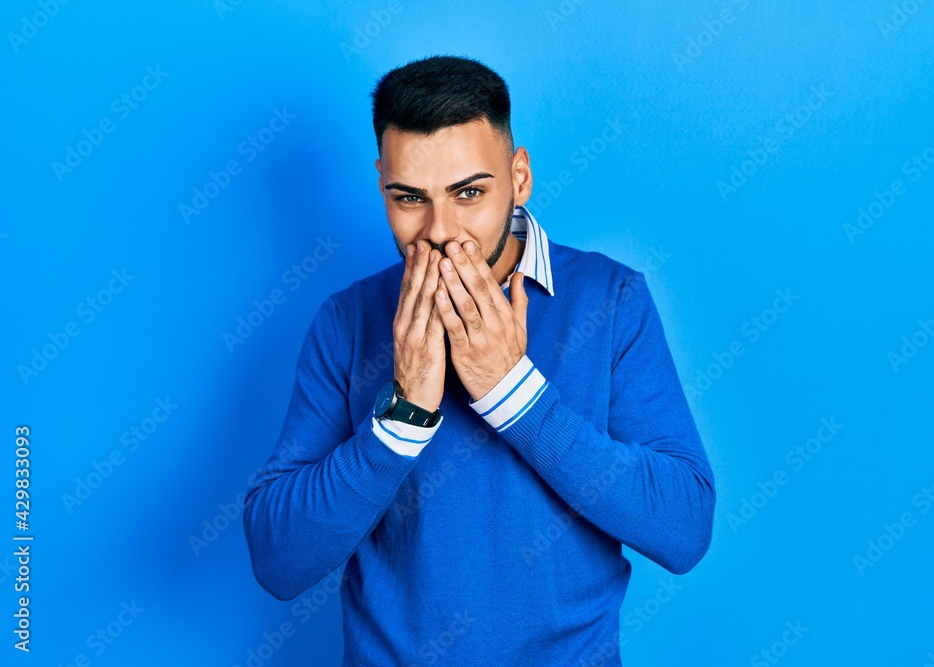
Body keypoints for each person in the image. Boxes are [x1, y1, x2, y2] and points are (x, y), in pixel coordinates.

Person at [243, 54, 715, 666]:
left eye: (469, 192)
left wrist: (515, 395)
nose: (440, 231)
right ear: (382, 182)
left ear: (519, 177)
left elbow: (684, 529)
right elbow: (279, 561)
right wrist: (402, 416)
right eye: (409, 197)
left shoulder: (612, 301)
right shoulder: (348, 320)